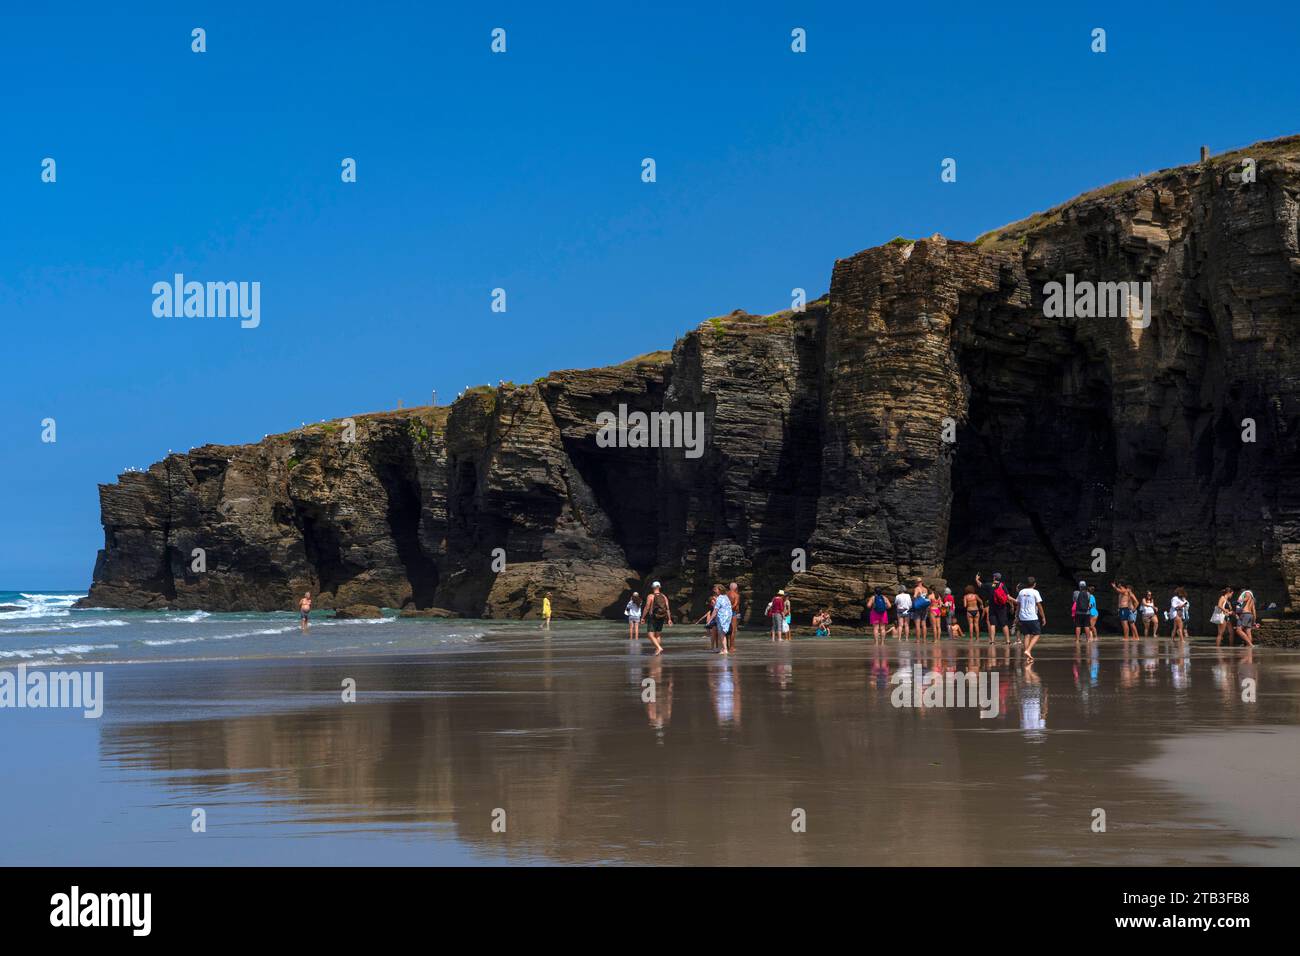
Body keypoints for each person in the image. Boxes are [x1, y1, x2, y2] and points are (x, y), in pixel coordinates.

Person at [1017, 576, 1046, 661]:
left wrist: (1016, 616)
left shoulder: (1021, 592)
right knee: (1037, 634)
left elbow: (1018, 605)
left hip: (1022, 617)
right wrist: (1043, 617)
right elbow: (1039, 606)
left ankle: (1027, 656)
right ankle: (1028, 650)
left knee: (1026, 635)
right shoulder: (1035, 592)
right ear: (1034, 584)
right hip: (1032, 617)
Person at [645, 581, 671, 654]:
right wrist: (669, 619)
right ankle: (657, 650)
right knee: (657, 635)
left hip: (653, 617)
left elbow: (647, 607)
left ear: (652, 587)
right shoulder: (664, 596)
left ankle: (659, 648)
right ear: (659, 587)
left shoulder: (650, 596)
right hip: (662, 616)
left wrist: (643, 617)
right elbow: (667, 608)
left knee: (650, 635)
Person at [706, 584, 733, 655]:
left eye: (716, 589)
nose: (715, 591)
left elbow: (715, 610)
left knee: (721, 633)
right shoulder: (726, 597)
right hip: (727, 617)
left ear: (720, 590)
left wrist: (710, 619)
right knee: (723, 633)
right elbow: (729, 608)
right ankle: (724, 648)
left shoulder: (719, 598)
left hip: (722, 617)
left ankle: (725, 649)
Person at [987, 573, 1013, 643]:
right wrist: (1014, 603)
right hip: (1002, 607)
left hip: (992, 607)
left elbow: (980, 584)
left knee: (992, 624)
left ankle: (992, 641)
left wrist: (977, 579)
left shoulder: (990, 585)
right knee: (1004, 624)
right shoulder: (1002, 585)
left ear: (994, 578)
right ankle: (1008, 641)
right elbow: (1008, 597)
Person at [726, 582, 741, 653]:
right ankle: (731, 647)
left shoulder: (726, 594)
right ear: (735, 588)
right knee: (732, 631)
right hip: (733, 613)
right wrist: (730, 609)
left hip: (725, 613)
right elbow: (735, 605)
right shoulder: (736, 595)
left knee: (726, 630)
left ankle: (726, 646)